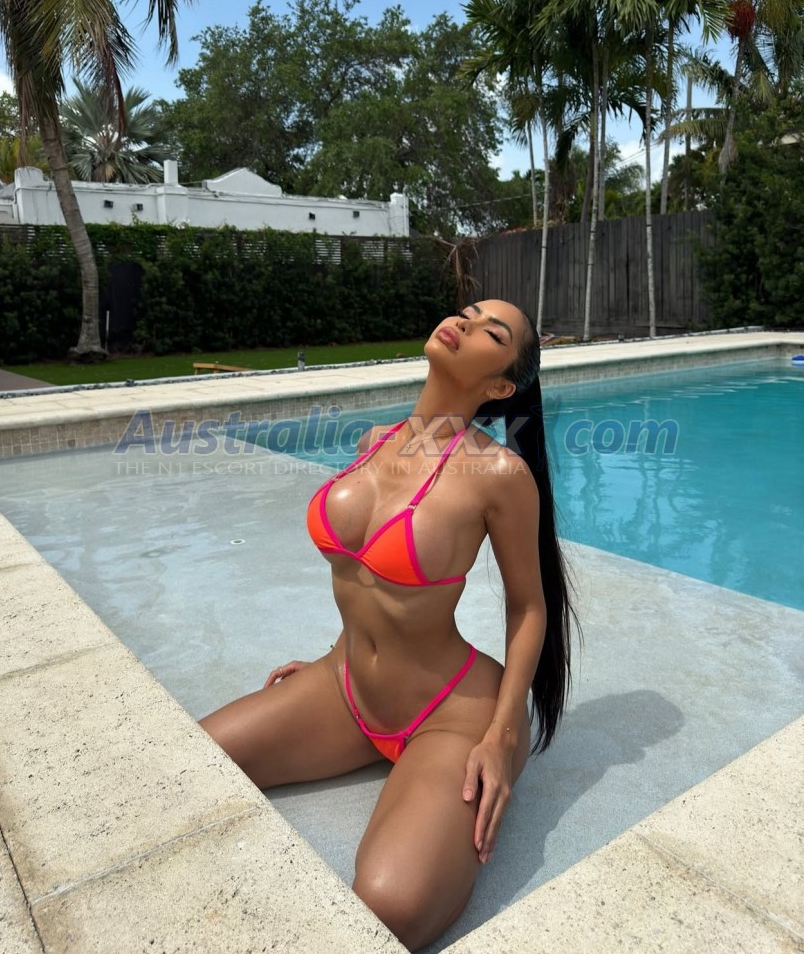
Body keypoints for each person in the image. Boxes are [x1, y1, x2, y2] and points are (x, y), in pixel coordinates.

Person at [198, 299, 580, 951]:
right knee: (190, 764)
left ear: (500, 387)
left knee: (387, 907)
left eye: (490, 333)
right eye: (466, 312)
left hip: (451, 713)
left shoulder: (498, 474)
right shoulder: (372, 441)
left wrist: (500, 736)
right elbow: (363, 579)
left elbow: (529, 607)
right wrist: (335, 656)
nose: (463, 323)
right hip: (345, 687)